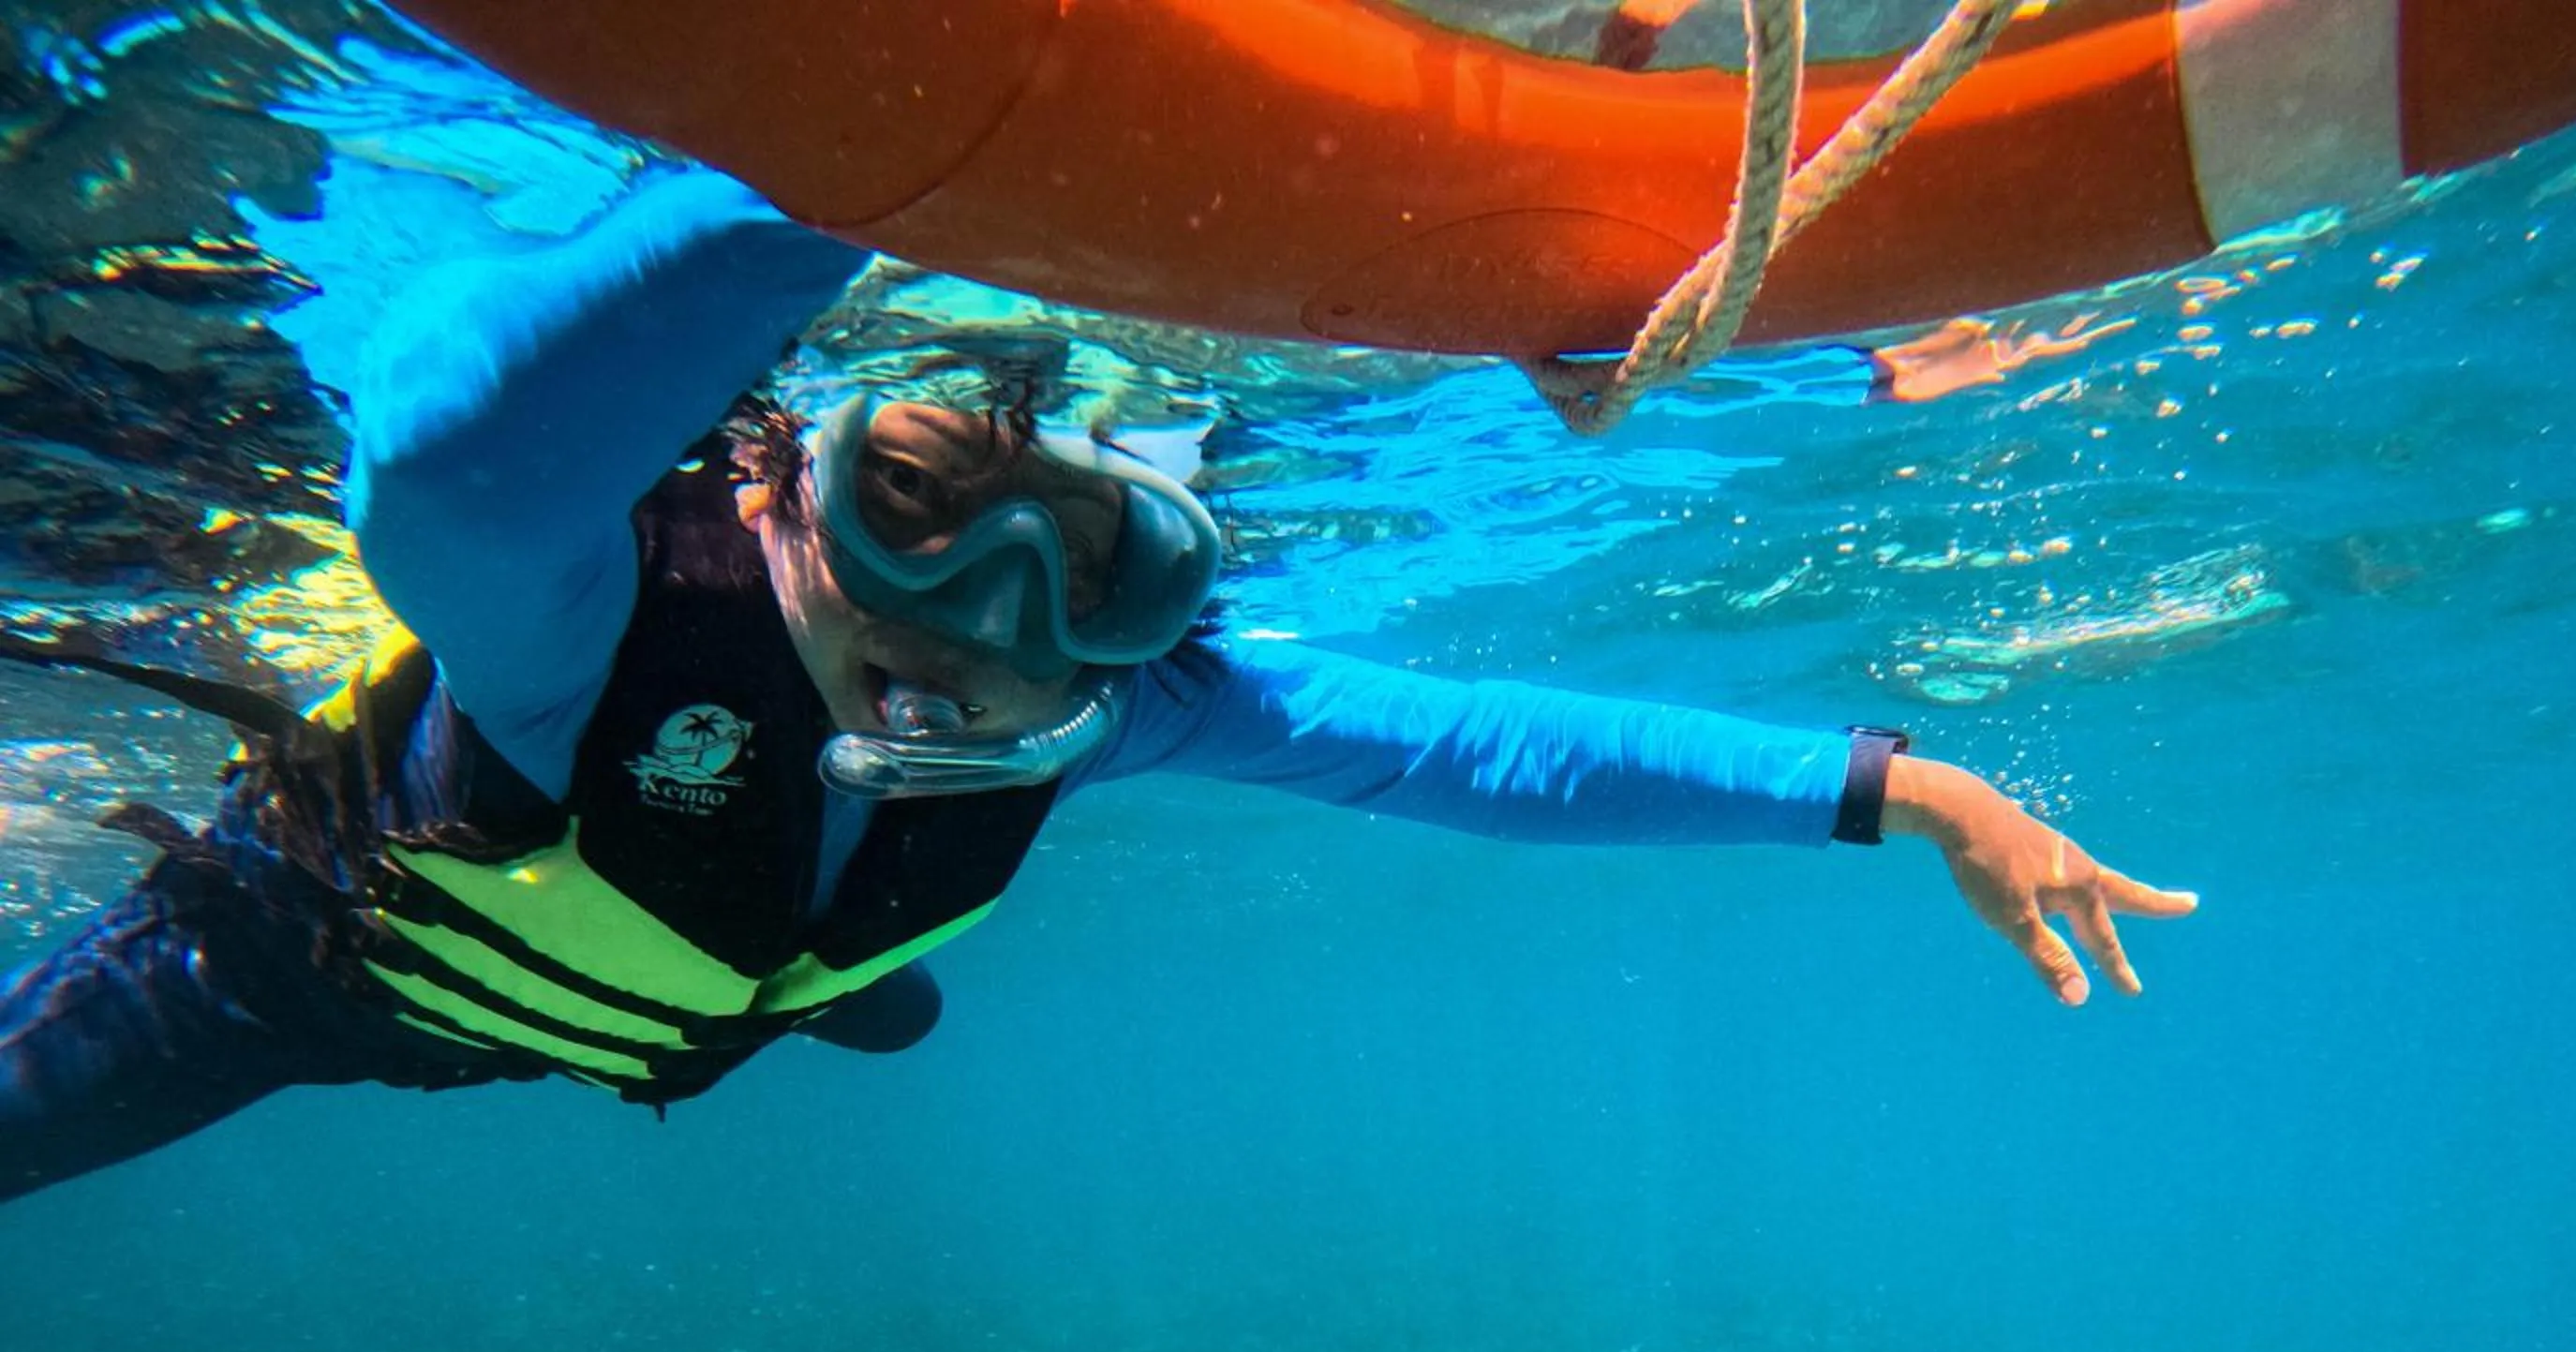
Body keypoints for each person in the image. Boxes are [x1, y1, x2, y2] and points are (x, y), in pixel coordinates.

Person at [0, 169, 2194, 1205]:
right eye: (919, 526)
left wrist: (1903, 785)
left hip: (708, 979)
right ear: (779, 475)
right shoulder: (596, 616)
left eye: (1084, 598)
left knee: (868, 984)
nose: (976, 667)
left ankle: (828, 983)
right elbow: (450, 449)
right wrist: (890, 161)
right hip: (307, 974)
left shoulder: (1118, 695)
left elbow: (1475, 748)